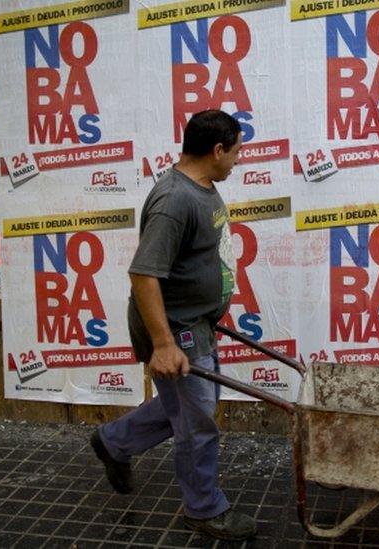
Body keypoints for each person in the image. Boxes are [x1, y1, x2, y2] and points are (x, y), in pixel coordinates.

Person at [90, 110, 256, 541]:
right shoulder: (174, 200)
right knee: (198, 422)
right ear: (217, 150)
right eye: (236, 151)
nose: (239, 159)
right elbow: (144, 274)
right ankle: (203, 510)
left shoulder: (202, 186)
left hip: (194, 324)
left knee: (183, 407)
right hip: (177, 330)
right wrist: (164, 344)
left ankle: (114, 442)